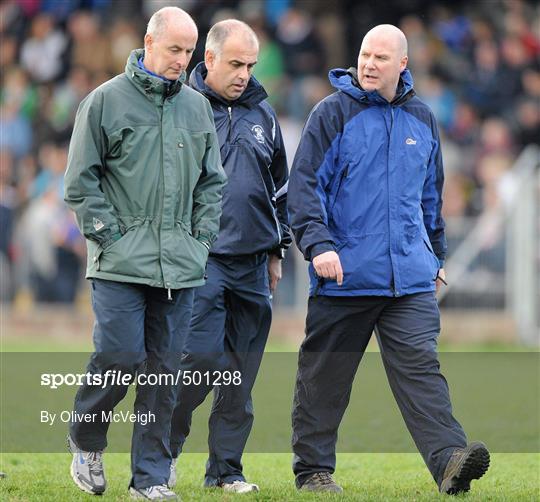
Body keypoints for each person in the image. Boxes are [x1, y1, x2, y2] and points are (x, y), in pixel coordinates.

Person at [287, 24, 490, 495]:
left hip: (411, 279)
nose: (369, 63)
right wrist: (319, 246)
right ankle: (313, 471)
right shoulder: (331, 114)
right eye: (364, 54)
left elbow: (430, 196)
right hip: (345, 274)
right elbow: (303, 189)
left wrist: (435, 254)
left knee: (422, 371)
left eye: (380, 57)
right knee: (325, 378)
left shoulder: (423, 116)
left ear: (403, 63)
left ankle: (449, 462)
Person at [63, 7, 226, 501]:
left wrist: (199, 241)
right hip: (118, 264)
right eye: (174, 49)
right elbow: (80, 182)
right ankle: (86, 437)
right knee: (120, 357)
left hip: (180, 266)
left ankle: (149, 480)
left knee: (164, 374)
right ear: (149, 43)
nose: (182, 59)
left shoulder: (198, 108)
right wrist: (110, 237)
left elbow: (212, 184)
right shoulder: (104, 101)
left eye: (189, 51)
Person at [169, 19, 291, 494]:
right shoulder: (182, 107)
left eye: (251, 65)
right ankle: (165, 452)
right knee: (196, 364)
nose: (244, 74)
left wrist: (277, 251)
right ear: (211, 59)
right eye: (236, 64)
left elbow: (279, 189)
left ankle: (226, 472)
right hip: (202, 261)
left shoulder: (264, 113)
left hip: (255, 264)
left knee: (239, 378)